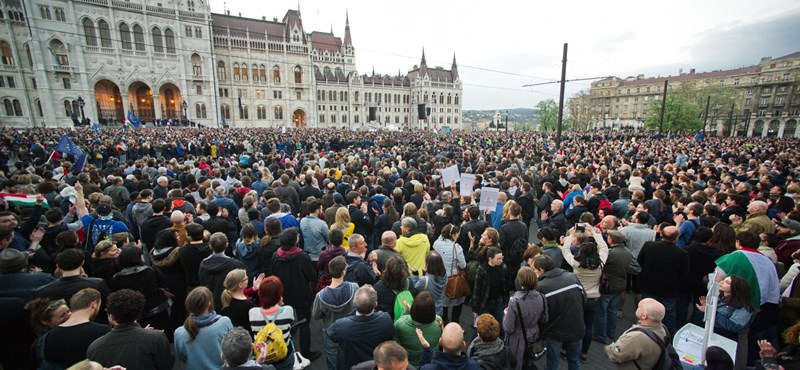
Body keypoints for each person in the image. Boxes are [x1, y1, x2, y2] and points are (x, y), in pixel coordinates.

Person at [87, 289, 174, 370]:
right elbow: (166, 366)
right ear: (138, 313)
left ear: (111, 316)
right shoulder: (157, 338)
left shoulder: (94, 347)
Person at [270, 227, 319, 361]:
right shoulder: (302, 256)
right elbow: (311, 276)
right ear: (294, 240)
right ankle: (305, 352)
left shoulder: (276, 255)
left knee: (285, 322)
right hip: (301, 294)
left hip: (283, 294)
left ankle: (286, 350)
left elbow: (273, 274)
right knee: (304, 323)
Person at [533, 255, 585, 370]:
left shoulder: (541, 287)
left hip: (555, 332)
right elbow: (583, 299)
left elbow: (541, 314)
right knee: (574, 360)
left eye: (534, 270)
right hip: (577, 327)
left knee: (552, 363)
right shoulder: (572, 277)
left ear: (541, 270)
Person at [637, 225, 689, 335]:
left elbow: (640, 260)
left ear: (661, 234)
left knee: (646, 309)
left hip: (649, 284)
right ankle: (667, 336)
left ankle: (643, 332)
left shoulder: (649, 246)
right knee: (668, 314)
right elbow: (684, 273)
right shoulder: (682, 254)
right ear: (677, 237)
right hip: (669, 288)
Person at [328, 284, 394, 370]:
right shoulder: (385, 320)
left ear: (354, 302)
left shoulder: (342, 326)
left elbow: (330, 333)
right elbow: (391, 335)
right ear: (375, 304)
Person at [312, 256, 359, 370]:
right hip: (351, 331)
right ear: (344, 271)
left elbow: (316, 315)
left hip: (331, 334)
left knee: (333, 364)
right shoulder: (354, 287)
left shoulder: (321, 295)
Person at [110, 248, 172, 335]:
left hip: (134, 315)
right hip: (157, 310)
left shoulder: (116, 278)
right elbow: (163, 284)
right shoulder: (150, 270)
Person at [174, 286, 234, 370]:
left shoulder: (179, 333)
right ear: (209, 303)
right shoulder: (224, 322)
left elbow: (182, 357)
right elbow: (233, 349)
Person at [604, 298, 668, 370]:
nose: (637, 307)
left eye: (639, 307)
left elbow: (615, 355)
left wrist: (609, 348)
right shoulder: (663, 329)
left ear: (644, 316)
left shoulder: (636, 337)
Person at [504, 266, 548, 370]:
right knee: (529, 362)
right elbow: (545, 319)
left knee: (516, 364)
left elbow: (508, 328)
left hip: (517, 338)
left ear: (521, 282)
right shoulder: (542, 297)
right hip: (534, 334)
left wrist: (506, 315)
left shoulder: (514, 301)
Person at [248, 276, 296, 370]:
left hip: (263, 358)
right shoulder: (288, 310)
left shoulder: (253, 312)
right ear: (279, 294)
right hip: (284, 357)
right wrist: (280, 303)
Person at [595, 230, 632, 345]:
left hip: (609, 286)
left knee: (602, 311)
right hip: (620, 285)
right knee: (612, 310)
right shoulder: (627, 251)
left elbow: (600, 265)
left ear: (611, 239)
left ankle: (600, 335)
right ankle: (611, 332)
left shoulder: (610, 253)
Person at [696, 275, 755, 340]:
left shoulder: (744, 307)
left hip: (722, 337)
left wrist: (714, 313)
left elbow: (734, 327)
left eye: (727, 282)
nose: (721, 282)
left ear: (736, 288)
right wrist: (706, 307)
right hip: (708, 330)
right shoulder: (719, 296)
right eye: (723, 280)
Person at [394, 291, 444, 367]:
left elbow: (400, 325)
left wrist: (407, 311)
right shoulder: (439, 321)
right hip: (431, 364)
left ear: (414, 307)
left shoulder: (400, 325)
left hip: (409, 365)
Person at [199, 231, 246, 311]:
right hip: (229, 303)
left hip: (210, 303)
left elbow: (202, 281)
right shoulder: (235, 264)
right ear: (227, 245)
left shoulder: (203, 264)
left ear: (210, 246)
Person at [433, 224, 467, 324]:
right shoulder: (457, 248)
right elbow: (463, 265)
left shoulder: (437, 244)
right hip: (454, 278)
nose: (458, 236)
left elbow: (439, 239)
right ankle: (455, 322)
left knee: (443, 301)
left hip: (440, 277)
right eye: (457, 234)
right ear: (452, 235)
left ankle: (444, 321)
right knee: (458, 301)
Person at [470, 247, 506, 339]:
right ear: (490, 259)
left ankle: (501, 343)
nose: (501, 260)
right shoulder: (482, 270)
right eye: (498, 258)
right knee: (481, 327)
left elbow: (503, 287)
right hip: (485, 302)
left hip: (498, 300)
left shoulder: (500, 268)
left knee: (499, 325)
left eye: (502, 258)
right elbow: (476, 290)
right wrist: (475, 309)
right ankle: (474, 346)